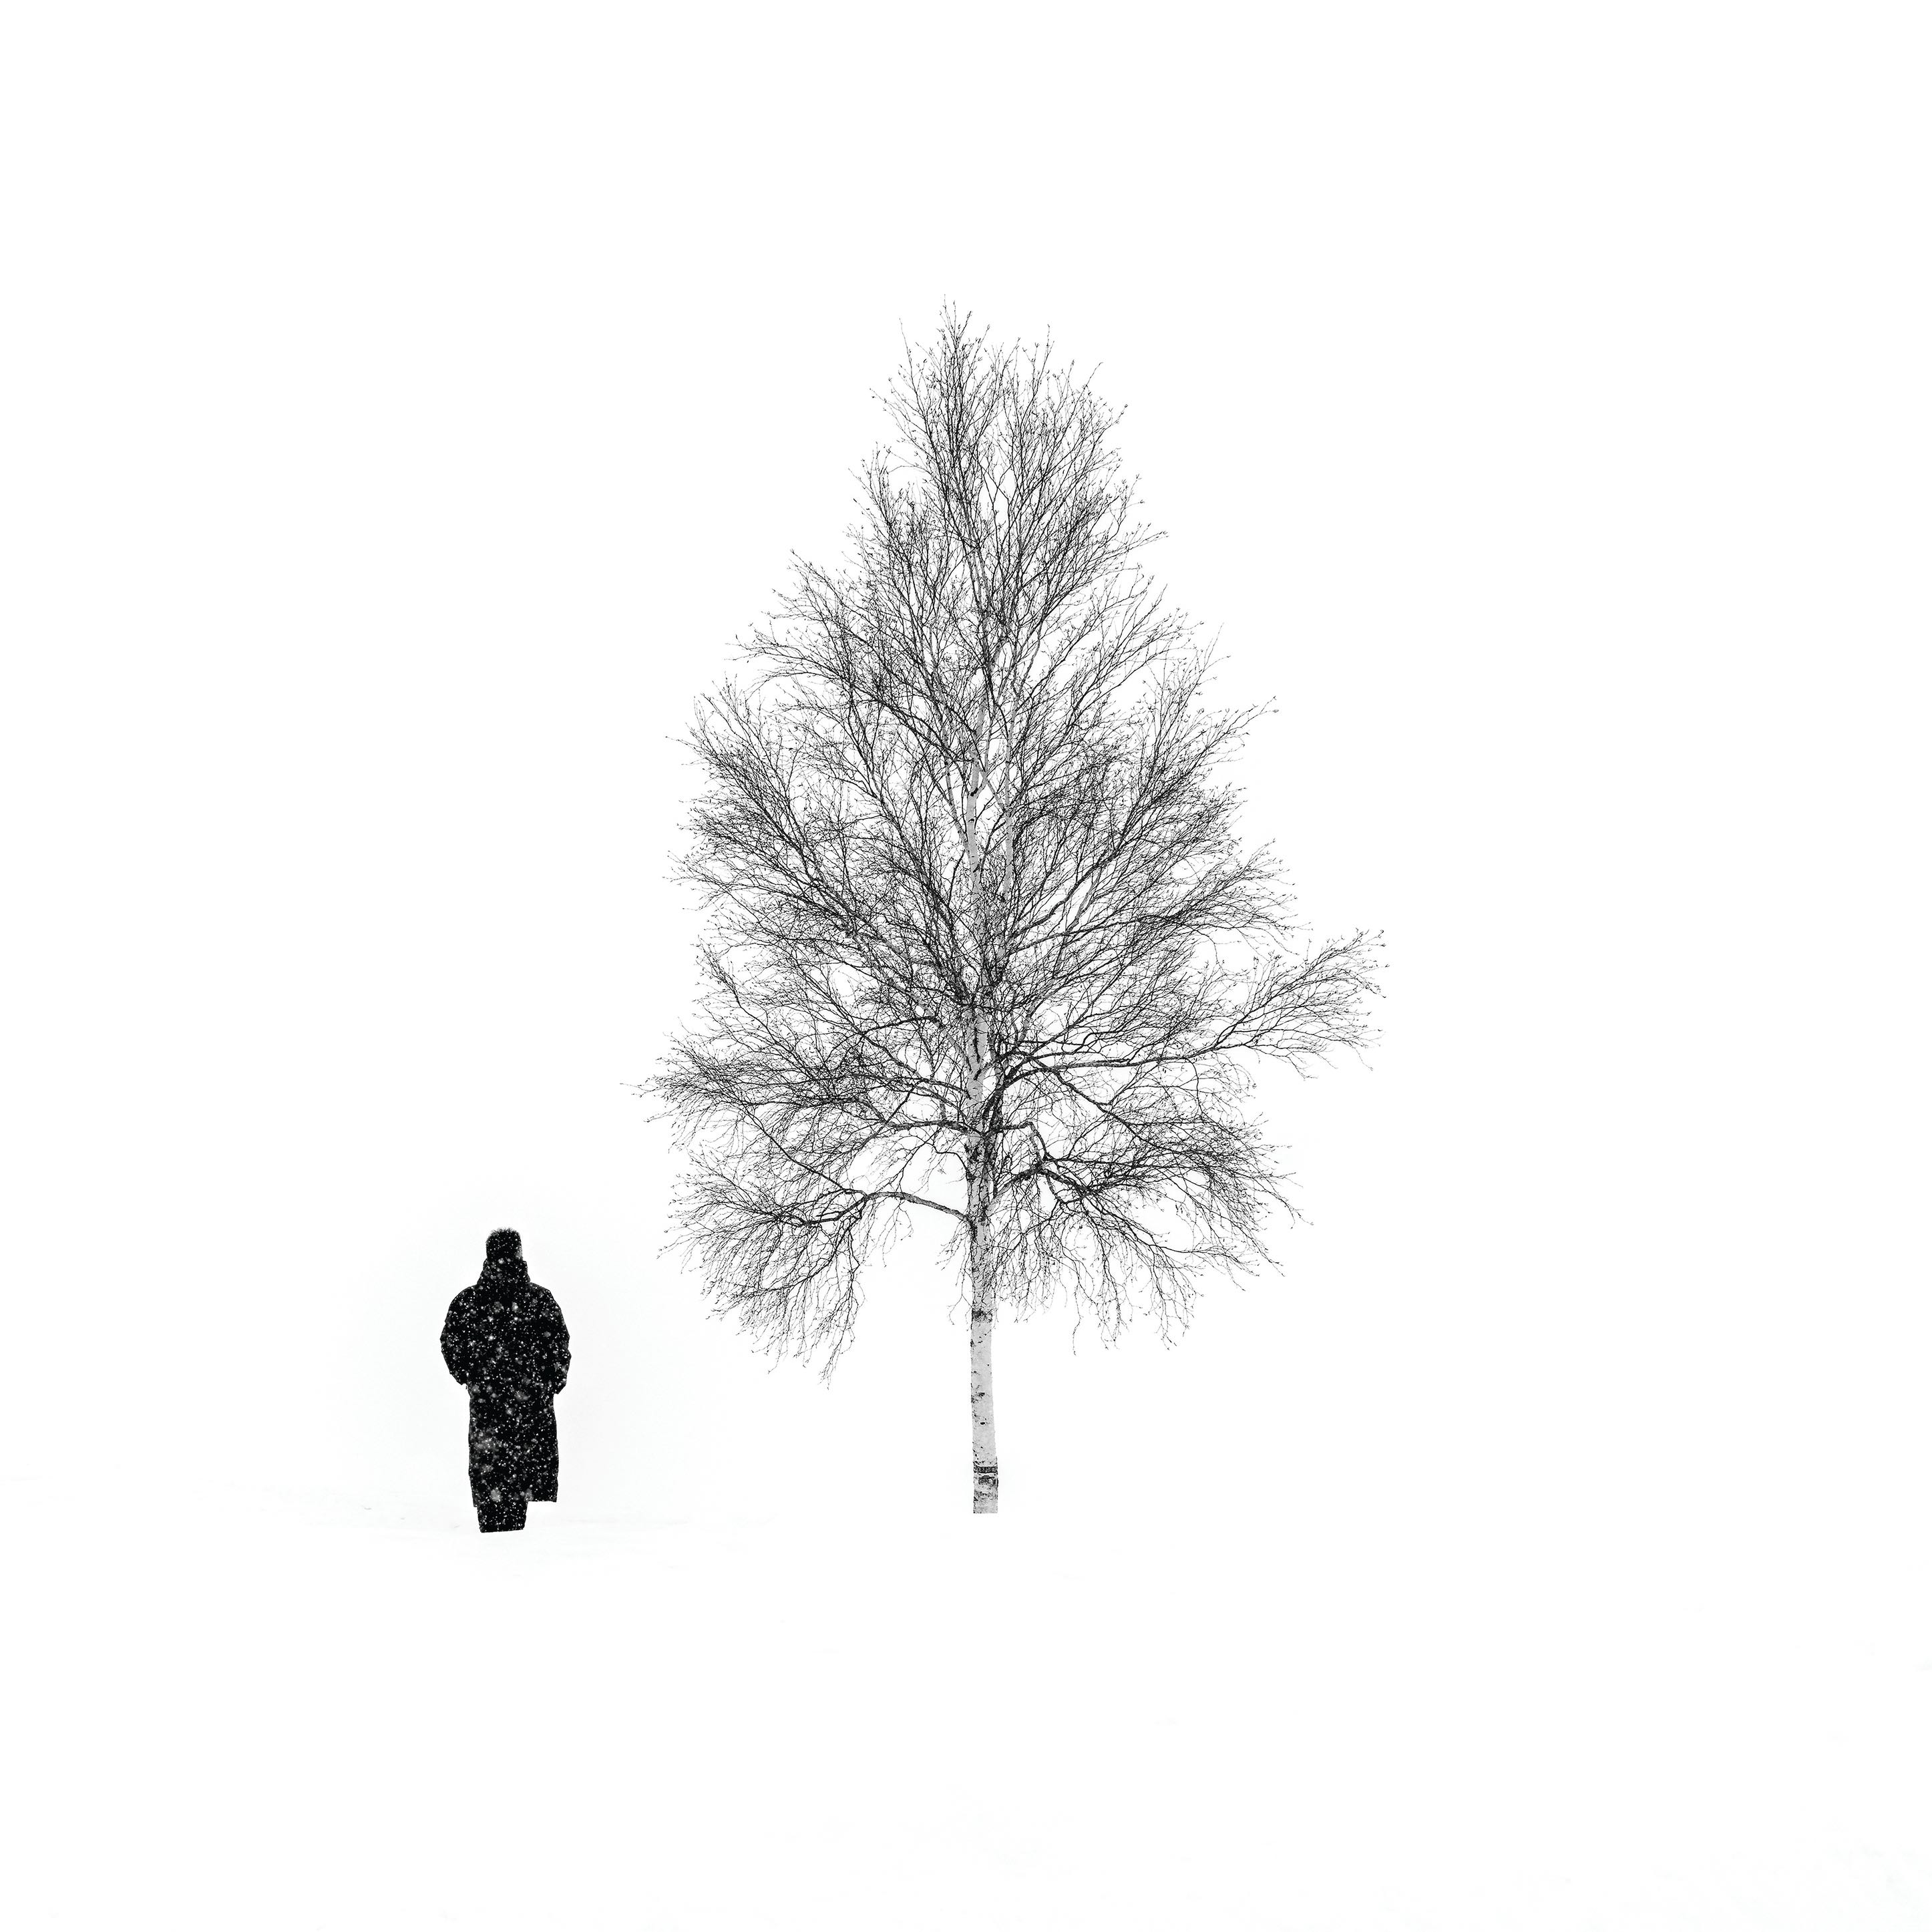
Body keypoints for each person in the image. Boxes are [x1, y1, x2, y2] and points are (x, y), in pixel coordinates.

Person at [439, 1228, 571, 1533]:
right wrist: (549, 1382)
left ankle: (497, 1545)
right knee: (521, 1484)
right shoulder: (539, 1299)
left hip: (490, 1406)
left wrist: (471, 1377)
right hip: (529, 1407)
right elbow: (558, 1346)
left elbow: (451, 1343)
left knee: (493, 1483)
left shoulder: (469, 1301)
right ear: (519, 1254)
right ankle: (513, 1547)